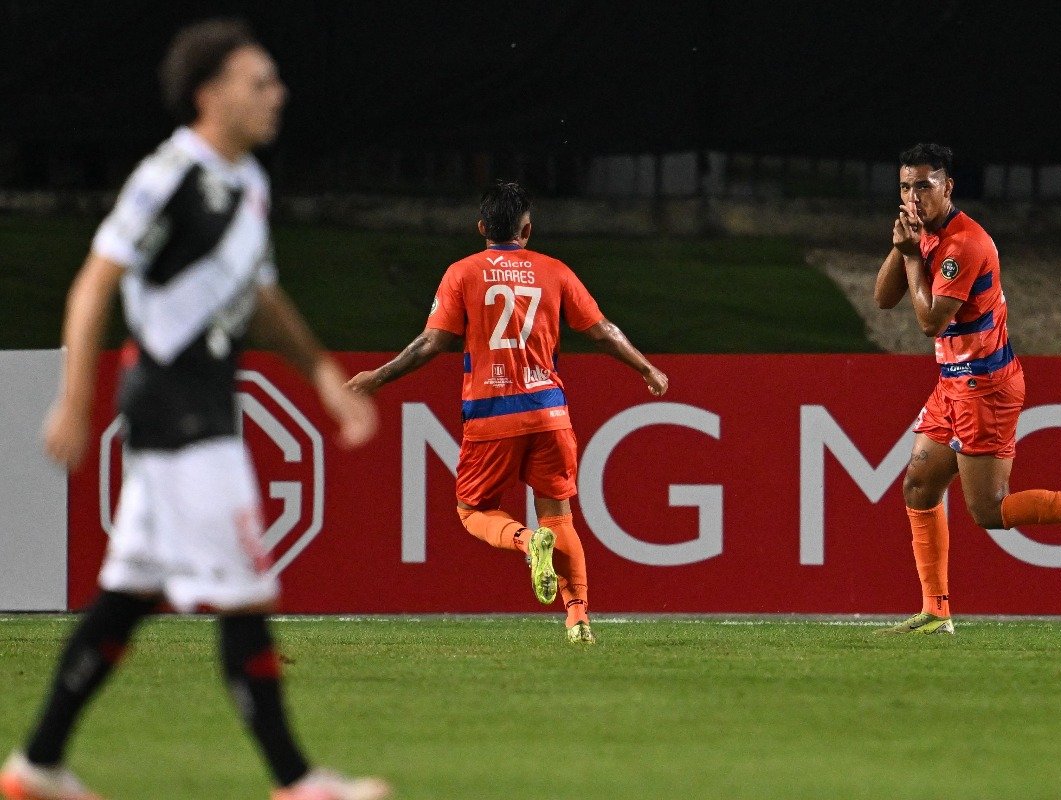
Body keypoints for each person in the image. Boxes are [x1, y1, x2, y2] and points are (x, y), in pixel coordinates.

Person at [1, 19, 390, 800]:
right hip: (177, 410)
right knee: (245, 590)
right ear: (209, 95)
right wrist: (75, 398)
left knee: (127, 597)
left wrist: (320, 373)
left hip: (197, 408)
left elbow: (261, 295)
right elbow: (94, 281)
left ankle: (35, 767)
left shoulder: (247, 182)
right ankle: (298, 781)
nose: (277, 94)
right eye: (260, 81)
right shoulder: (170, 172)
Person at [347, 180, 668, 645]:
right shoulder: (553, 271)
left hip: (492, 415)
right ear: (527, 229)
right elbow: (602, 331)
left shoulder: (463, 272)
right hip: (549, 413)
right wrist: (646, 367)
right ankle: (578, 619)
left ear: (482, 227)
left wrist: (376, 378)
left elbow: (430, 343)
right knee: (559, 518)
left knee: (472, 509)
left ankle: (523, 541)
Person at [872, 143, 1061, 635]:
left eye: (924, 185)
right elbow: (883, 299)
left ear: (949, 187)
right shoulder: (926, 238)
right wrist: (903, 247)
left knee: (990, 511)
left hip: (984, 388)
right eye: (905, 186)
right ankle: (935, 611)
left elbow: (928, 322)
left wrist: (912, 257)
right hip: (953, 382)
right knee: (918, 487)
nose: (913, 196)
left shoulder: (964, 245)